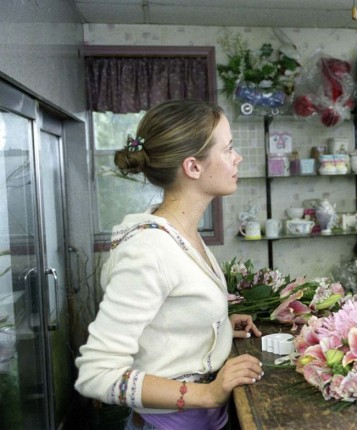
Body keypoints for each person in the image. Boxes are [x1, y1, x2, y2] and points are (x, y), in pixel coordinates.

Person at [75, 99, 264, 429]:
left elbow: (165, 318)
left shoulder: (179, 232)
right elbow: (98, 374)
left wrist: (215, 327)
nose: (238, 158)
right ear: (193, 167)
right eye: (228, 149)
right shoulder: (148, 250)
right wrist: (207, 393)